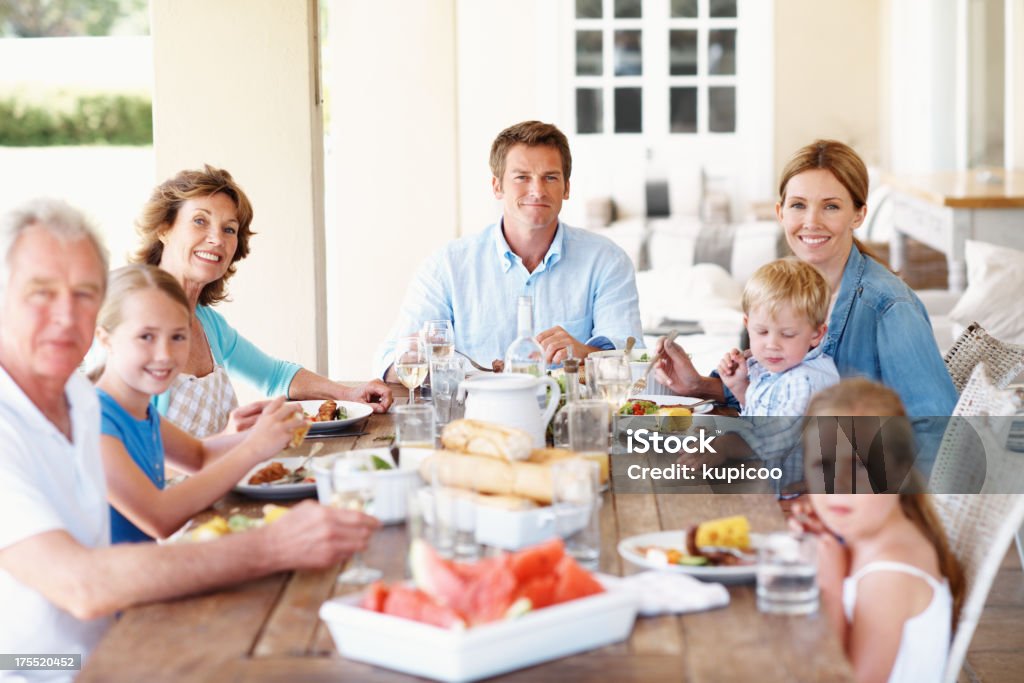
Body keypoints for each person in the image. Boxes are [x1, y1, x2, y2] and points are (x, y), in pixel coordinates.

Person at [0, 199, 378, 676]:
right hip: (38, 665)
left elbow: (195, 455)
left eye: (82, 293)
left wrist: (249, 437)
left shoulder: (74, 393)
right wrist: (271, 547)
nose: (64, 315)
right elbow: (82, 586)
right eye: (40, 292)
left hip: (124, 628)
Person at [655, 139, 957, 468]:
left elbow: (938, 432)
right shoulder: (784, 287)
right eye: (798, 205)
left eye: (830, 206)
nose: (811, 222)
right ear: (780, 212)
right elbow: (784, 392)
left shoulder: (888, 306)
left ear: (858, 215)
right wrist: (699, 385)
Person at [129, 165, 391, 437]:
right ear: (164, 228)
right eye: (199, 221)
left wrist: (349, 393)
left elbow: (275, 375)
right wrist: (232, 438)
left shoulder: (208, 323)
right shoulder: (134, 323)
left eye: (229, 229)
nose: (217, 238)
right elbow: (131, 455)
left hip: (226, 476)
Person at [373, 120, 643, 378]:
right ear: (497, 186)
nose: (537, 191)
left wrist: (585, 353)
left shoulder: (607, 261)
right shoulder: (447, 266)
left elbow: (634, 361)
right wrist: (413, 359)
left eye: (550, 177)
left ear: (566, 188)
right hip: (473, 418)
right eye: (522, 177)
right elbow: (387, 360)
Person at [93, 265, 308, 543]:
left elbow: (199, 456)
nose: (165, 354)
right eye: (146, 336)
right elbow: (160, 518)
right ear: (105, 339)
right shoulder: (93, 419)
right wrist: (255, 448)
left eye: (178, 337)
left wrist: (266, 431)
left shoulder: (136, 408)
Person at [701, 257, 840, 490]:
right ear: (747, 325)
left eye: (787, 334)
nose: (772, 344)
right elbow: (764, 412)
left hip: (789, 498)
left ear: (816, 334)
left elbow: (777, 436)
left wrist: (724, 446)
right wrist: (739, 387)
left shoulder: (805, 380)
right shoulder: (773, 365)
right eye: (762, 331)